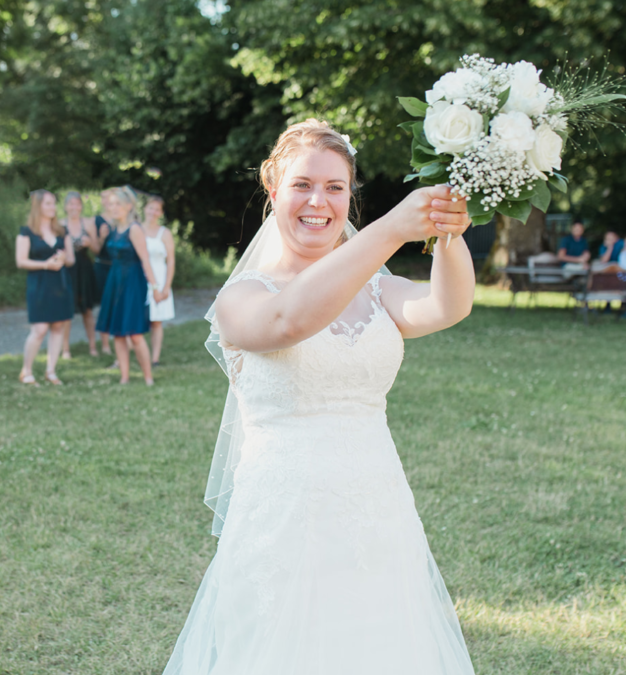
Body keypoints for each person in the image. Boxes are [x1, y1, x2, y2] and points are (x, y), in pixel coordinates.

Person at [162, 119, 476, 674]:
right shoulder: (243, 297)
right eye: (303, 184)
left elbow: (445, 307)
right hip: (286, 516)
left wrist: (448, 234)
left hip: (377, 506)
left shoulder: (377, 287)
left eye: (335, 188)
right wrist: (389, 229)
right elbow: (288, 322)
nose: (319, 201)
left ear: (349, 196)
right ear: (273, 190)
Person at [94, 186, 158, 385]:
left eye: (117, 204)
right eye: (111, 204)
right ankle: (124, 377)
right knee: (118, 334)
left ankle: (148, 378)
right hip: (114, 281)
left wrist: (155, 287)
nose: (113, 208)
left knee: (135, 334)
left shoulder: (135, 229)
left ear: (128, 206)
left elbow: (145, 260)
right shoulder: (113, 229)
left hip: (132, 283)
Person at [16, 189, 75, 385]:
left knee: (58, 326)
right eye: (48, 203)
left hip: (60, 283)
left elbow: (71, 260)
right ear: (38, 206)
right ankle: (27, 370)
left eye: (53, 203)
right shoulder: (27, 232)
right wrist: (45, 264)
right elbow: (21, 261)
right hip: (39, 283)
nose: (52, 207)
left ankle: (51, 371)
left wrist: (63, 258)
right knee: (40, 329)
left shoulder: (61, 231)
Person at [60, 191, 101, 357]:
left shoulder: (88, 223)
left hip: (84, 269)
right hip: (68, 270)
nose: (74, 207)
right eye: (71, 204)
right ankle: (65, 349)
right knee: (67, 311)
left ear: (81, 206)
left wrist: (90, 243)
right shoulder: (60, 225)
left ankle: (93, 346)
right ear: (65, 206)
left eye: (77, 204)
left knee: (87, 310)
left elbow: (98, 250)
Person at [143, 195, 175, 365]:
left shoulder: (165, 233)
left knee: (156, 321)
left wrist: (166, 287)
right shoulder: (136, 230)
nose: (153, 212)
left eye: (157, 209)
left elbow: (170, 260)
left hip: (160, 277)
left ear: (161, 213)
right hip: (140, 278)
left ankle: (154, 358)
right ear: (144, 209)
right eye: (150, 208)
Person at [92, 189, 117, 356]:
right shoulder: (97, 221)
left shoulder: (121, 220)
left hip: (118, 267)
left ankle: (120, 338)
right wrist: (101, 237)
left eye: (111, 199)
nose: (107, 202)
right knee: (103, 305)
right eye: (105, 199)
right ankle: (105, 344)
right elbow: (95, 250)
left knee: (118, 304)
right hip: (102, 267)